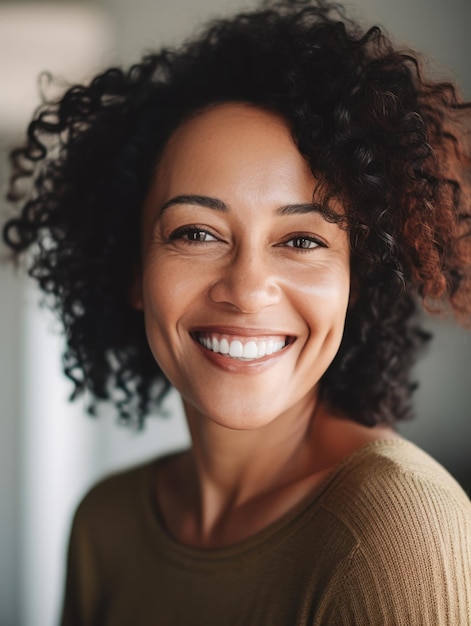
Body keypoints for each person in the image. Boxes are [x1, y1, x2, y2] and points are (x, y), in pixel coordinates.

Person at [3, 0, 471, 623]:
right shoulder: (105, 523)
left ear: (355, 282)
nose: (248, 291)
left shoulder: (394, 531)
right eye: (196, 233)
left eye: (303, 241)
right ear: (132, 270)